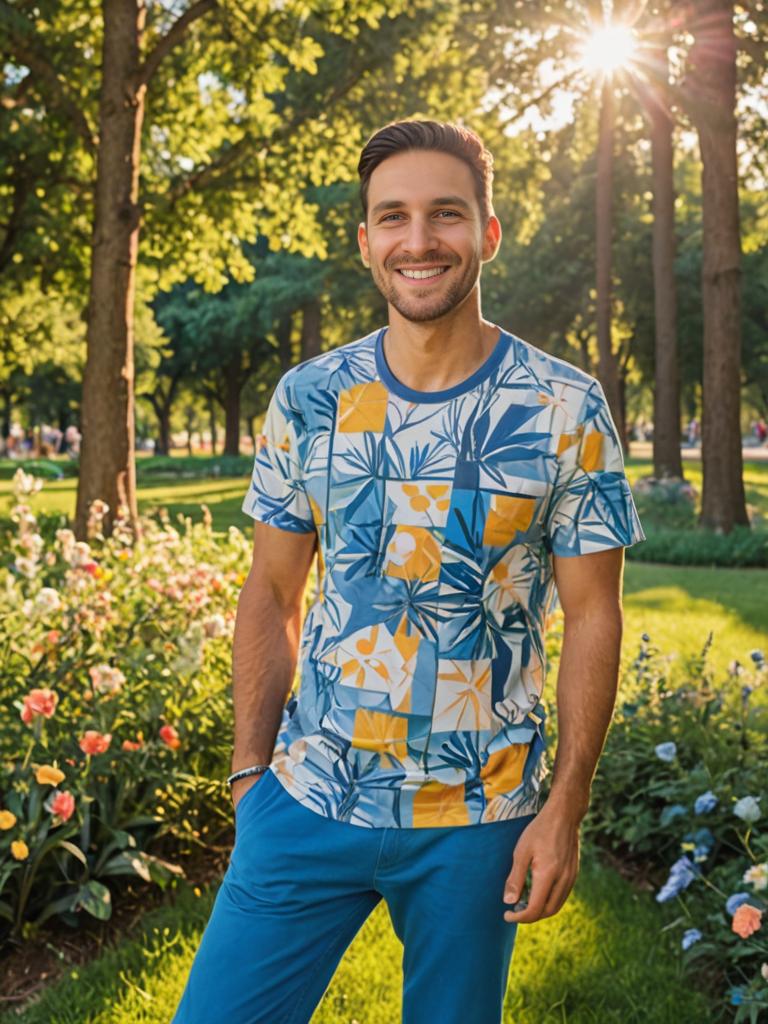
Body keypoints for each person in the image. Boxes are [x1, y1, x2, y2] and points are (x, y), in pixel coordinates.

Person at [171, 119, 645, 1024]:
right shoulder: (309, 399)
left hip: (479, 820)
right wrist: (248, 778)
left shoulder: (565, 407)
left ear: (488, 232)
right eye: (393, 218)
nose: (419, 241)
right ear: (366, 243)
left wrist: (565, 808)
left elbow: (593, 614)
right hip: (307, 804)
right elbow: (272, 593)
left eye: (446, 214)